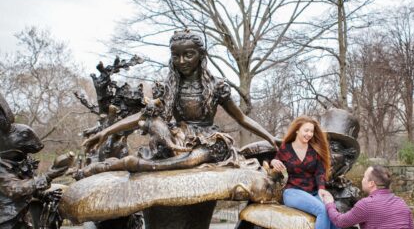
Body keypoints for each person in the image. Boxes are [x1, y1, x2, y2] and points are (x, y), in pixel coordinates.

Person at [79, 29, 278, 176]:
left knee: (193, 160)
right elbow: (143, 116)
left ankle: (130, 164)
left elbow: (241, 118)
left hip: (208, 139)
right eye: (176, 56)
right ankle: (122, 164)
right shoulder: (169, 87)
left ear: (201, 56)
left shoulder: (218, 86)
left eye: (188, 54)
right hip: (178, 136)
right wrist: (105, 132)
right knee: (157, 126)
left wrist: (270, 138)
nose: (182, 61)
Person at [270, 116, 342, 229]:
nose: (309, 134)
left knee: (332, 210)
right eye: (306, 130)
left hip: (313, 191)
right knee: (323, 210)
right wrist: (273, 161)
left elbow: (319, 173)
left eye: (311, 131)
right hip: (293, 192)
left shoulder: (314, 150)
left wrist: (323, 191)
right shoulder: (286, 149)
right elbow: (273, 164)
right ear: (297, 130)